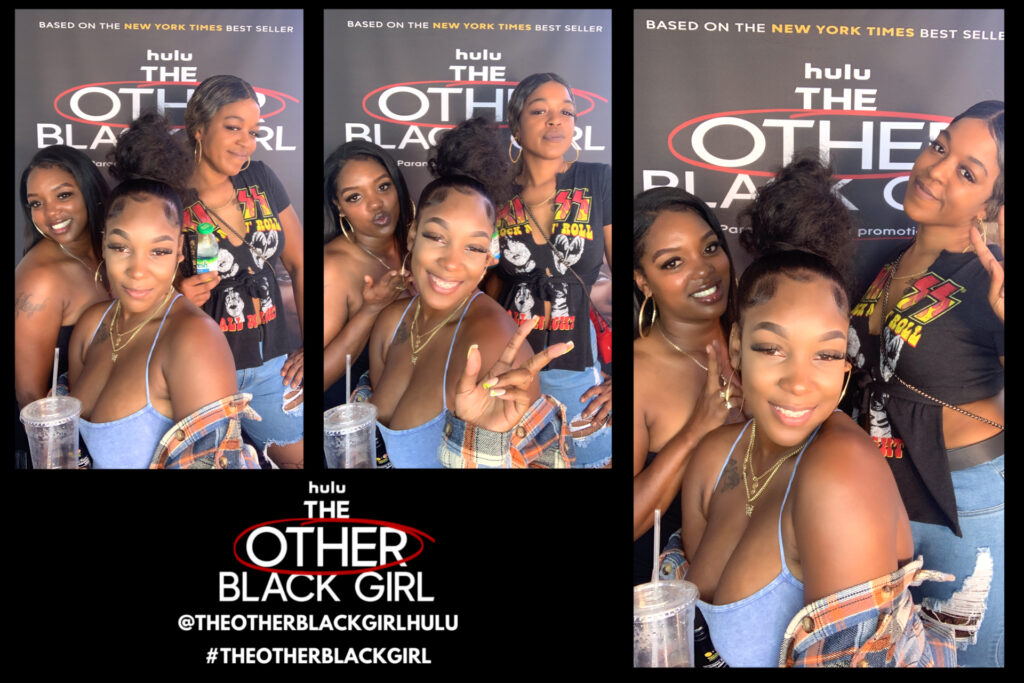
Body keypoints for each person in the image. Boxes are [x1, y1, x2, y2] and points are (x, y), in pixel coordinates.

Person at [673, 153, 954, 667]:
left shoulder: (838, 474)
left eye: (825, 354)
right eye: (771, 348)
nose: (800, 382)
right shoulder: (716, 457)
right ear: (735, 347)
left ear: (846, 365)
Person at [846, 101, 1004, 666]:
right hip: (885, 491)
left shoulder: (994, 276)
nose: (935, 170)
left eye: (968, 172)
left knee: (968, 658)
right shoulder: (890, 261)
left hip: (965, 501)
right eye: (940, 147)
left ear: (993, 203)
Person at [358, 118, 574, 468]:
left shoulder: (495, 344)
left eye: (472, 248)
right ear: (412, 236)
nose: (451, 263)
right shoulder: (391, 322)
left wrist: (488, 445)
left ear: (489, 257)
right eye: (437, 237)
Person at [65, 114, 256, 469]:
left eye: (159, 251)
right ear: (104, 245)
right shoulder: (92, 325)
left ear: (180, 253)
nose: (138, 271)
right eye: (122, 247)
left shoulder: (193, 338)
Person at [175, 75, 305, 468]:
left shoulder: (260, 178)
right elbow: (141, 286)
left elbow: (299, 264)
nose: (246, 142)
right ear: (199, 128)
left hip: (272, 367)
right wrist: (177, 296)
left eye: (253, 132)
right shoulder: (167, 195)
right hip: (203, 366)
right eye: (233, 127)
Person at [487, 72, 612, 467]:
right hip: (509, 363)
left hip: (576, 364)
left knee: (592, 462)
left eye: (566, 112)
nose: (556, 120)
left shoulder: (597, 180)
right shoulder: (493, 192)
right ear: (516, 126)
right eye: (540, 111)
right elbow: (487, 285)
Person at [632, 188, 743, 586]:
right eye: (674, 262)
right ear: (643, 282)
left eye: (710, 247)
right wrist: (696, 431)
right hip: (672, 605)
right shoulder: (638, 373)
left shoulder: (758, 340)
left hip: (756, 589)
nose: (704, 270)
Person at [15, 146, 111, 466]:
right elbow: (30, 396)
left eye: (63, 195)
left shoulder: (109, 249)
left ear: (89, 190)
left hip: (111, 424)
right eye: (37, 204)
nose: (51, 213)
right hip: (70, 446)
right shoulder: (41, 277)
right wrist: (62, 458)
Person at [323, 142, 414, 413]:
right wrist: (372, 309)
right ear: (339, 207)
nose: (376, 203)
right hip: (362, 422)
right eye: (355, 197)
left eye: (383, 186)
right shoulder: (333, 267)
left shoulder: (419, 244)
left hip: (420, 405)